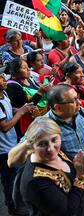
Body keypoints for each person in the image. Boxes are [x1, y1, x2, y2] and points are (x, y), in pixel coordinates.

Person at [18, 118, 84, 215]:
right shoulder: (35, 181)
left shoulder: (58, 153)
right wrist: (81, 178)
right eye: (42, 144)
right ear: (32, 146)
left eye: (54, 140)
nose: (51, 149)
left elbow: (75, 176)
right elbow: (68, 213)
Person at [0, 69, 36, 215]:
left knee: (17, 175)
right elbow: (5, 127)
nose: (4, 79)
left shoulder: (5, 94)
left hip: (12, 143)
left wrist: (22, 109)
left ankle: (19, 202)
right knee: (10, 180)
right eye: (0, 78)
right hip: (3, 149)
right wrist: (21, 113)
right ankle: (13, 206)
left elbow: (10, 109)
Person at [5, 58, 53, 135]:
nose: (28, 69)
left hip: (42, 118)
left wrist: (46, 82)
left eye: (28, 66)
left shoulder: (30, 79)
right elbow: (26, 108)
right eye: (24, 68)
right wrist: (40, 92)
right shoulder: (12, 86)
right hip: (28, 125)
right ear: (15, 72)